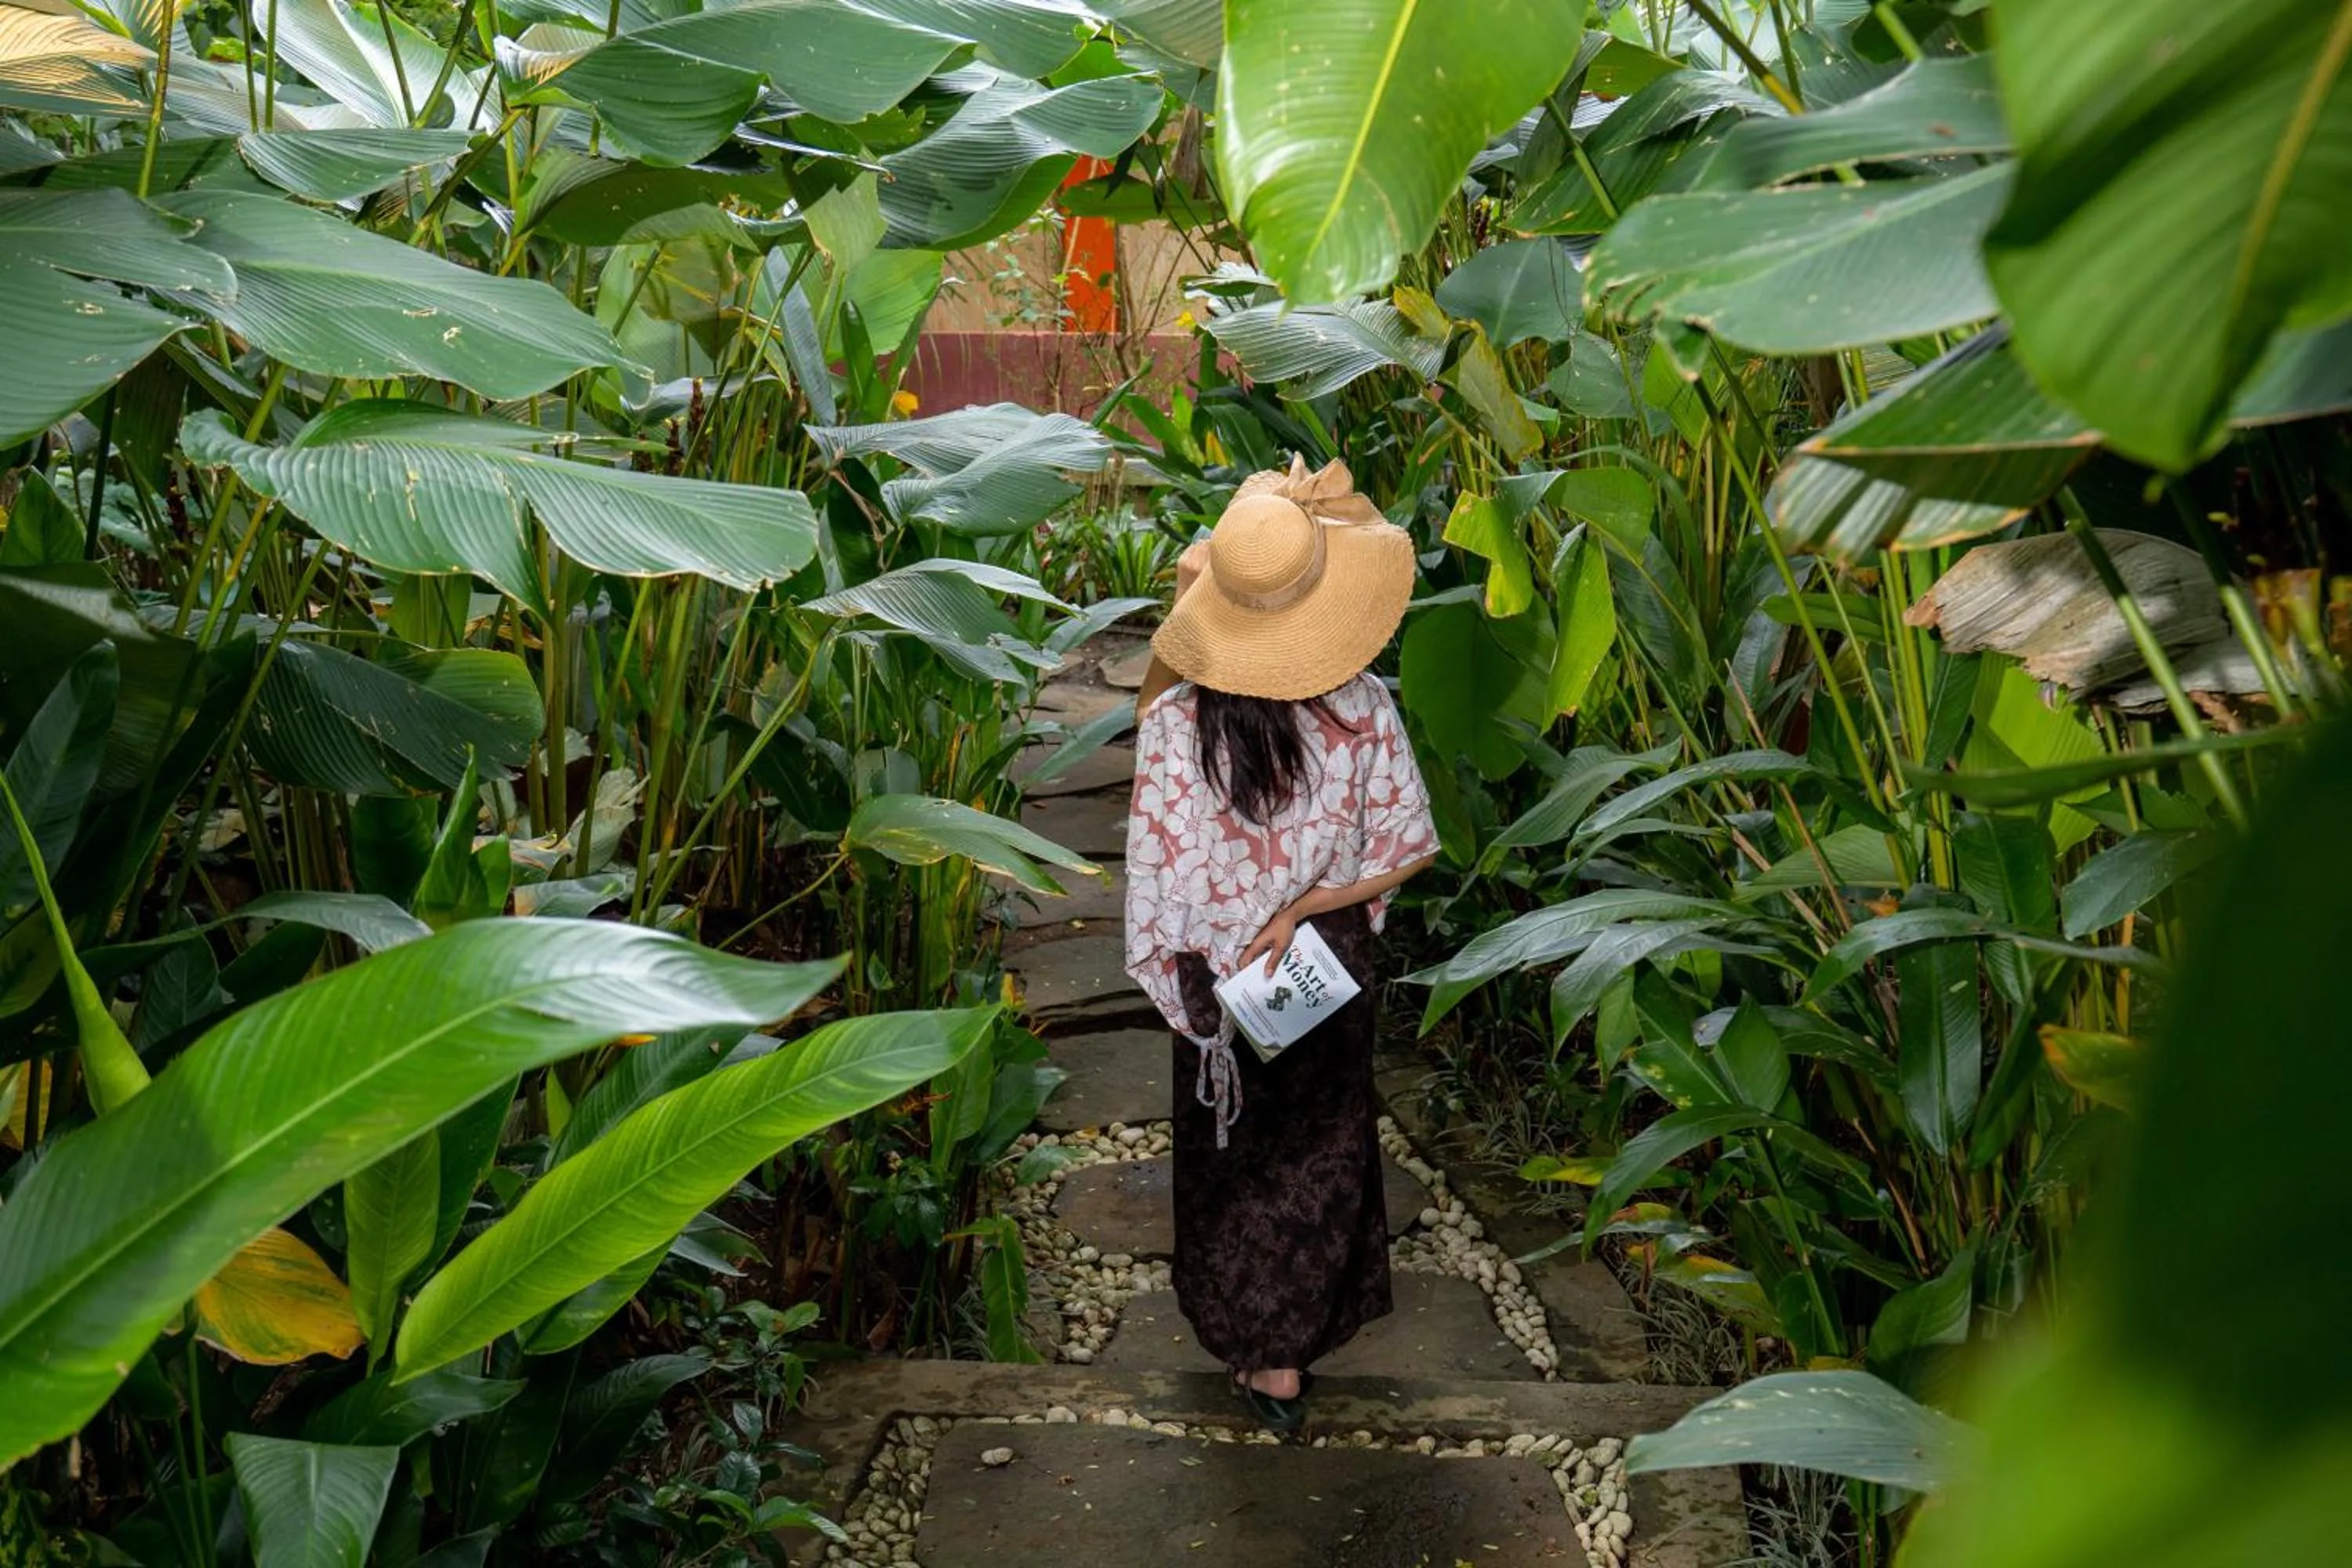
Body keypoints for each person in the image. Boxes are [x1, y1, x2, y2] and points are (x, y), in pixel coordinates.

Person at [1122, 458, 1438, 1432]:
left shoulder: (1176, 724)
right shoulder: (1364, 708)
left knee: (1229, 1154)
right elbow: (1412, 848)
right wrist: (1309, 907)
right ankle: (1296, 1348)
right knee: (1321, 1146)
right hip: (1324, 962)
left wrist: (1188, 993)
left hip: (1219, 974)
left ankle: (1259, 1353)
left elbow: (1156, 871)